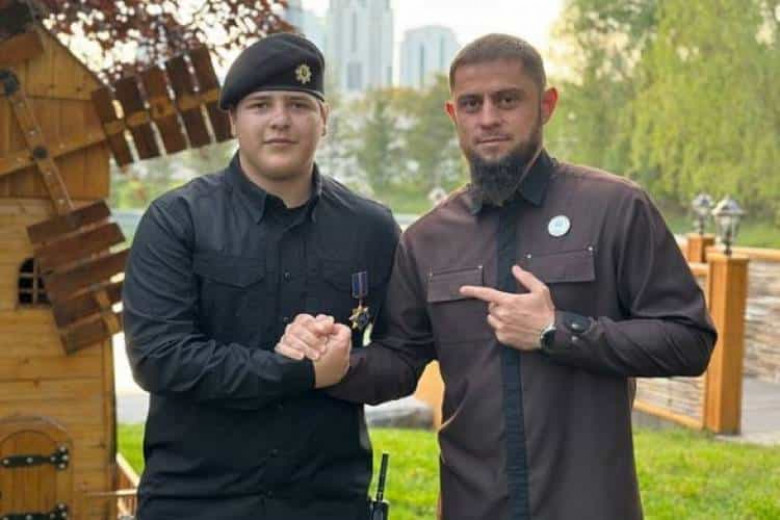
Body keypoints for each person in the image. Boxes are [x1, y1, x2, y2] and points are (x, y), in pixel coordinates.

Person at [276, 34, 717, 520]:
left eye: (507, 100)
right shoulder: (427, 239)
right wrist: (338, 363)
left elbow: (689, 340)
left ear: (546, 105)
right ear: (453, 115)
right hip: (472, 505)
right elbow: (400, 362)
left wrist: (557, 330)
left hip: (588, 504)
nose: (488, 118)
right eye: (472, 104)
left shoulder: (614, 208)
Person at [122, 32, 400, 520]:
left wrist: (344, 362)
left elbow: (402, 355)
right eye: (260, 105)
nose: (280, 120)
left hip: (326, 503)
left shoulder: (372, 229)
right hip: (195, 502)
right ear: (233, 120)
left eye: (299, 104)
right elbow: (158, 358)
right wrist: (296, 372)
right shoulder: (177, 220)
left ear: (324, 118)